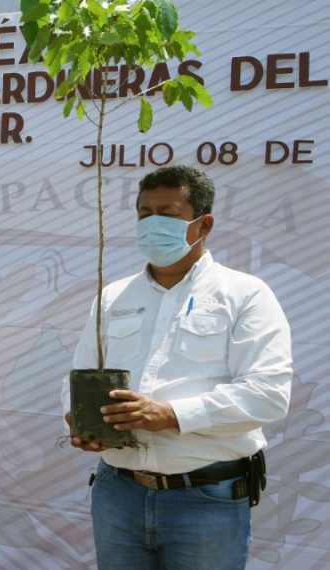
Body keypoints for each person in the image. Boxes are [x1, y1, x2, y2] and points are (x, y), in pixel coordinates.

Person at [63, 165, 292, 568]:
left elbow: (268, 396)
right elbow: (79, 376)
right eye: (144, 214)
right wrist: (83, 420)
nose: (152, 224)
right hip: (118, 493)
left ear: (203, 225)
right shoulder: (113, 297)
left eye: (167, 215)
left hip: (206, 497)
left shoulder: (244, 295)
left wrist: (169, 414)